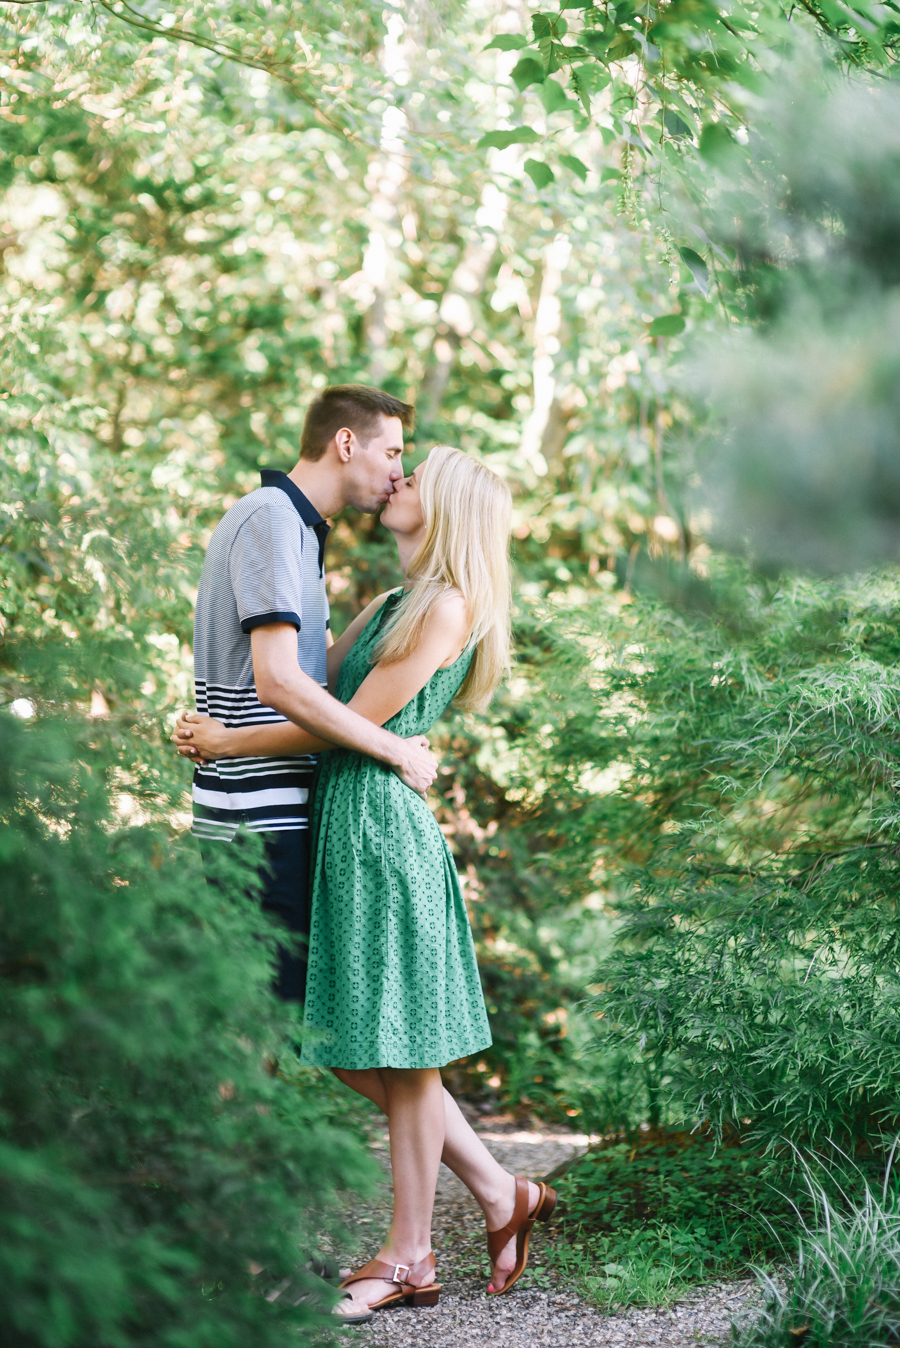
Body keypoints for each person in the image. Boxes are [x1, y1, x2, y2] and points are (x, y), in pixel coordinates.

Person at [174, 445, 557, 1315]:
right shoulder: (393, 601)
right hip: (339, 826)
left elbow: (349, 724)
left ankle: (409, 1255)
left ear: (448, 504)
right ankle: (502, 1191)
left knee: (403, 1054)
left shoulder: (449, 607)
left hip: (381, 830)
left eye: (414, 475)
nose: (398, 481)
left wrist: (227, 743)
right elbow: (304, 692)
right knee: (358, 1042)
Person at [184, 383, 438, 1009]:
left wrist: (382, 614)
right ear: (346, 443)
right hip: (255, 816)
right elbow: (276, 681)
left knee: (268, 1020)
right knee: (256, 1023)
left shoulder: (299, 528)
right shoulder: (273, 518)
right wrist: (393, 748)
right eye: (394, 454)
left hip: (267, 807)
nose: (398, 473)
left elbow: (305, 671)